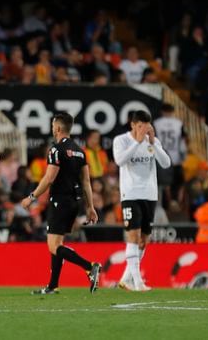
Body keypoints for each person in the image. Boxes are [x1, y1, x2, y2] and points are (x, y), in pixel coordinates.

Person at [21, 112, 102, 295]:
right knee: (57, 243)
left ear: (57, 128)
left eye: (52, 125)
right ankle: (52, 285)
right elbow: (86, 182)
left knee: (54, 246)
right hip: (74, 202)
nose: (52, 128)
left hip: (59, 201)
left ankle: (90, 267)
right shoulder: (80, 151)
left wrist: (31, 197)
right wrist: (90, 207)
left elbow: (49, 178)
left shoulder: (56, 149)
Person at [113, 110, 171, 291]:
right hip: (130, 194)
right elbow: (120, 160)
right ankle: (138, 282)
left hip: (150, 194)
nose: (143, 130)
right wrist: (137, 142)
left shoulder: (152, 142)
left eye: (146, 127)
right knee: (133, 235)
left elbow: (166, 163)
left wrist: (153, 142)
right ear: (133, 125)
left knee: (144, 240)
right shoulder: (121, 140)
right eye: (139, 126)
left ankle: (125, 279)